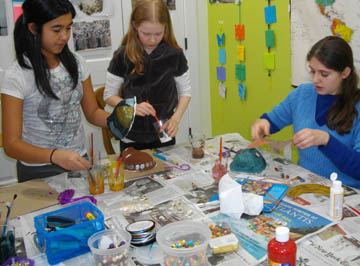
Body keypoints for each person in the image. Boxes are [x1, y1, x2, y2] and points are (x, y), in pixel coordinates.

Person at [0, 0, 109, 182]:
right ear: (34, 28)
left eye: (68, 28)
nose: (65, 37)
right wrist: (55, 156)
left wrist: (119, 121)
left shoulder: (77, 63)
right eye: (57, 30)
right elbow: (12, 145)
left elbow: (93, 113)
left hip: (78, 162)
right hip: (38, 171)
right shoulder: (17, 75)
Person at [251, 36, 360, 188]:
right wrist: (262, 123)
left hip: (343, 194)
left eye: (324, 74)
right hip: (306, 186)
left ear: (345, 73)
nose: (315, 79)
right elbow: (272, 121)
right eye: (312, 71)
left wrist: (326, 140)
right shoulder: (302, 94)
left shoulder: (357, 107)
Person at [104, 0, 191, 151]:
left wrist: (176, 119)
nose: (152, 40)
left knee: (166, 172)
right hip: (131, 136)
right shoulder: (122, 55)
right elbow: (108, 95)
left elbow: (186, 92)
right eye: (146, 34)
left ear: (166, 28)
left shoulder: (175, 55)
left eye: (158, 33)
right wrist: (132, 107)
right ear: (135, 26)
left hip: (163, 133)